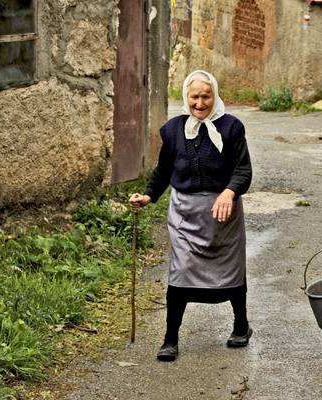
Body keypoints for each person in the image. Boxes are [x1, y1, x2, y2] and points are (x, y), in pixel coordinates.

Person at [129, 70, 253, 362]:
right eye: (194, 96)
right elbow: (163, 171)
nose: (200, 102)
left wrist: (229, 192)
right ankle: (170, 338)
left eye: (206, 96)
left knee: (231, 271)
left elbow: (243, 170)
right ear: (186, 97)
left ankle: (241, 325)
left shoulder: (232, 128)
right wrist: (148, 196)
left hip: (223, 213)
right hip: (185, 213)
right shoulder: (172, 131)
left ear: (215, 96)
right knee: (181, 271)